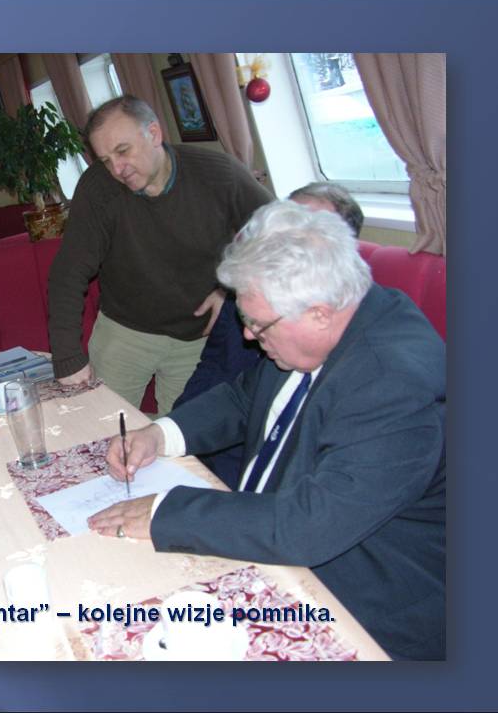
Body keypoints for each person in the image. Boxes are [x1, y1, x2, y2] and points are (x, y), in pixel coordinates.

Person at [88, 201, 445, 660]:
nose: (249, 336)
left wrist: (165, 513)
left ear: (319, 312)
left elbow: (309, 526)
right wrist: (160, 434)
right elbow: (244, 397)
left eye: (257, 324)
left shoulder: (392, 384)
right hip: (275, 537)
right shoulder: (326, 326)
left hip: (367, 599)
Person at [47, 94, 273, 415]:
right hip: (123, 333)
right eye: (106, 160)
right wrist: (68, 358)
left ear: (153, 133)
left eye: (123, 151)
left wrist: (231, 288)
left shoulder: (218, 174)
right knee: (102, 425)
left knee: (179, 434)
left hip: (196, 337)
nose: (117, 169)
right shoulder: (98, 188)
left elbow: (275, 231)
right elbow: (68, 273)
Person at [175, 182, 364, 487]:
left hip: (256, 459)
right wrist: (173, 428)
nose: (285, 239)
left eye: (307, 229)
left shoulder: (342, 328)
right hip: (210, 432)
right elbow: (215, 368)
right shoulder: (248, 293)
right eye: (288, 219)